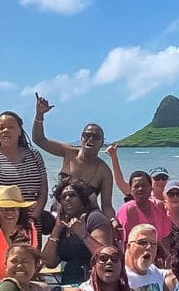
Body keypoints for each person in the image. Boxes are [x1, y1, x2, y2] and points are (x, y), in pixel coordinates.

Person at [32, 93, 118, 227]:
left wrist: (113, 222)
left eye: (96, 137)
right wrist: (39, 115)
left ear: (102, 143)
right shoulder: (69, 152)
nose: (90, 139)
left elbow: (107, 205)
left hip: (85, 220)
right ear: (81, 137)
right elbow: (39, 139)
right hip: (59, 216)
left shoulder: (104, 172)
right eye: (87, 135)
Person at [0, 111, 48, 242]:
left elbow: (43, 192)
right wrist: (12, 226)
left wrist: (31, 220)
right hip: (5, 225)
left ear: (20, 131)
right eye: (1, 127)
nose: (5, 130)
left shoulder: (34, 156)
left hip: (33, 223)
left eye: (11, 127)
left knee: (31, 260)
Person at [42, 177, 112, 285]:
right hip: (69, 282)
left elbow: (105, 256)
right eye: (63, 197)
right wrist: (57, 228)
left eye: (72, 195)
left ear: (82, 199)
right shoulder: (63, 225)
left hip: (95, 282)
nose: (67, 199)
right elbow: (49, 262)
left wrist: (83, 235)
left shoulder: (94, 218)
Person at [116, 171, 172, 250]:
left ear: (151, 187)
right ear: (130, 189)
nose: (140, 189)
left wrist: (166, 258)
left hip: (158, 254)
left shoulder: (158, 206)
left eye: (144, 185)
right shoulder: (129, 209)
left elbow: (165, 237)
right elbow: (132, 243)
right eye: (136, 186)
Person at [164, 180, 179, 260]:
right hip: (170, 264)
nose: (175, 197)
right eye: (171, 194)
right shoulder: (162, 216)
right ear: (165, 196)